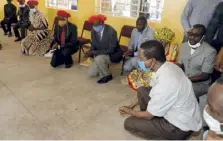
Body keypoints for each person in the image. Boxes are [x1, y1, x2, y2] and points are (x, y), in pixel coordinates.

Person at [119, 40, 202, 140]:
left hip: (178, 127)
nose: (138, 61)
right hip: (179, 112)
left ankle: (166, 134)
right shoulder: (168, 66)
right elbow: (151, 91)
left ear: (153, 61)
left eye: (141, 59)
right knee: (142, 90)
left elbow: (148, 115)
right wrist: (131, 106)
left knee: (129, 123)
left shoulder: (165, 83)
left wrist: (128, 111)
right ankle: (155, 118)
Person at [178, 24, 217, 98]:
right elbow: (180, 64)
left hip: (201, 84)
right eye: (190, 34)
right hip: (185, 79)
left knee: (182, 92)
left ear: (203, 37)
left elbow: (205, 76)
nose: (192, 37)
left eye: (196, 35)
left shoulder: (210, 51)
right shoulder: (184, 46)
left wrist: (185, 80)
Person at [87, 14, 122, 84]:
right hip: (101, 54)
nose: (94, 27)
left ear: (102, 23)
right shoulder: (93, 30)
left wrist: (94, 52)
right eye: (93, 25)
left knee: (99, 59)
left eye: (96, 25)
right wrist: (90, 51)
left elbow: (110, 50)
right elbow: (93, 43)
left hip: (113, 55)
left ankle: (107, 75)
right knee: (91, 74)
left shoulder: (111, 31)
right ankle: (103, 66)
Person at [205, 2, 223, 82]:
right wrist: (206, 47)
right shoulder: (221, 5)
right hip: (218, 43)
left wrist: (221, 53)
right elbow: (213, 25)